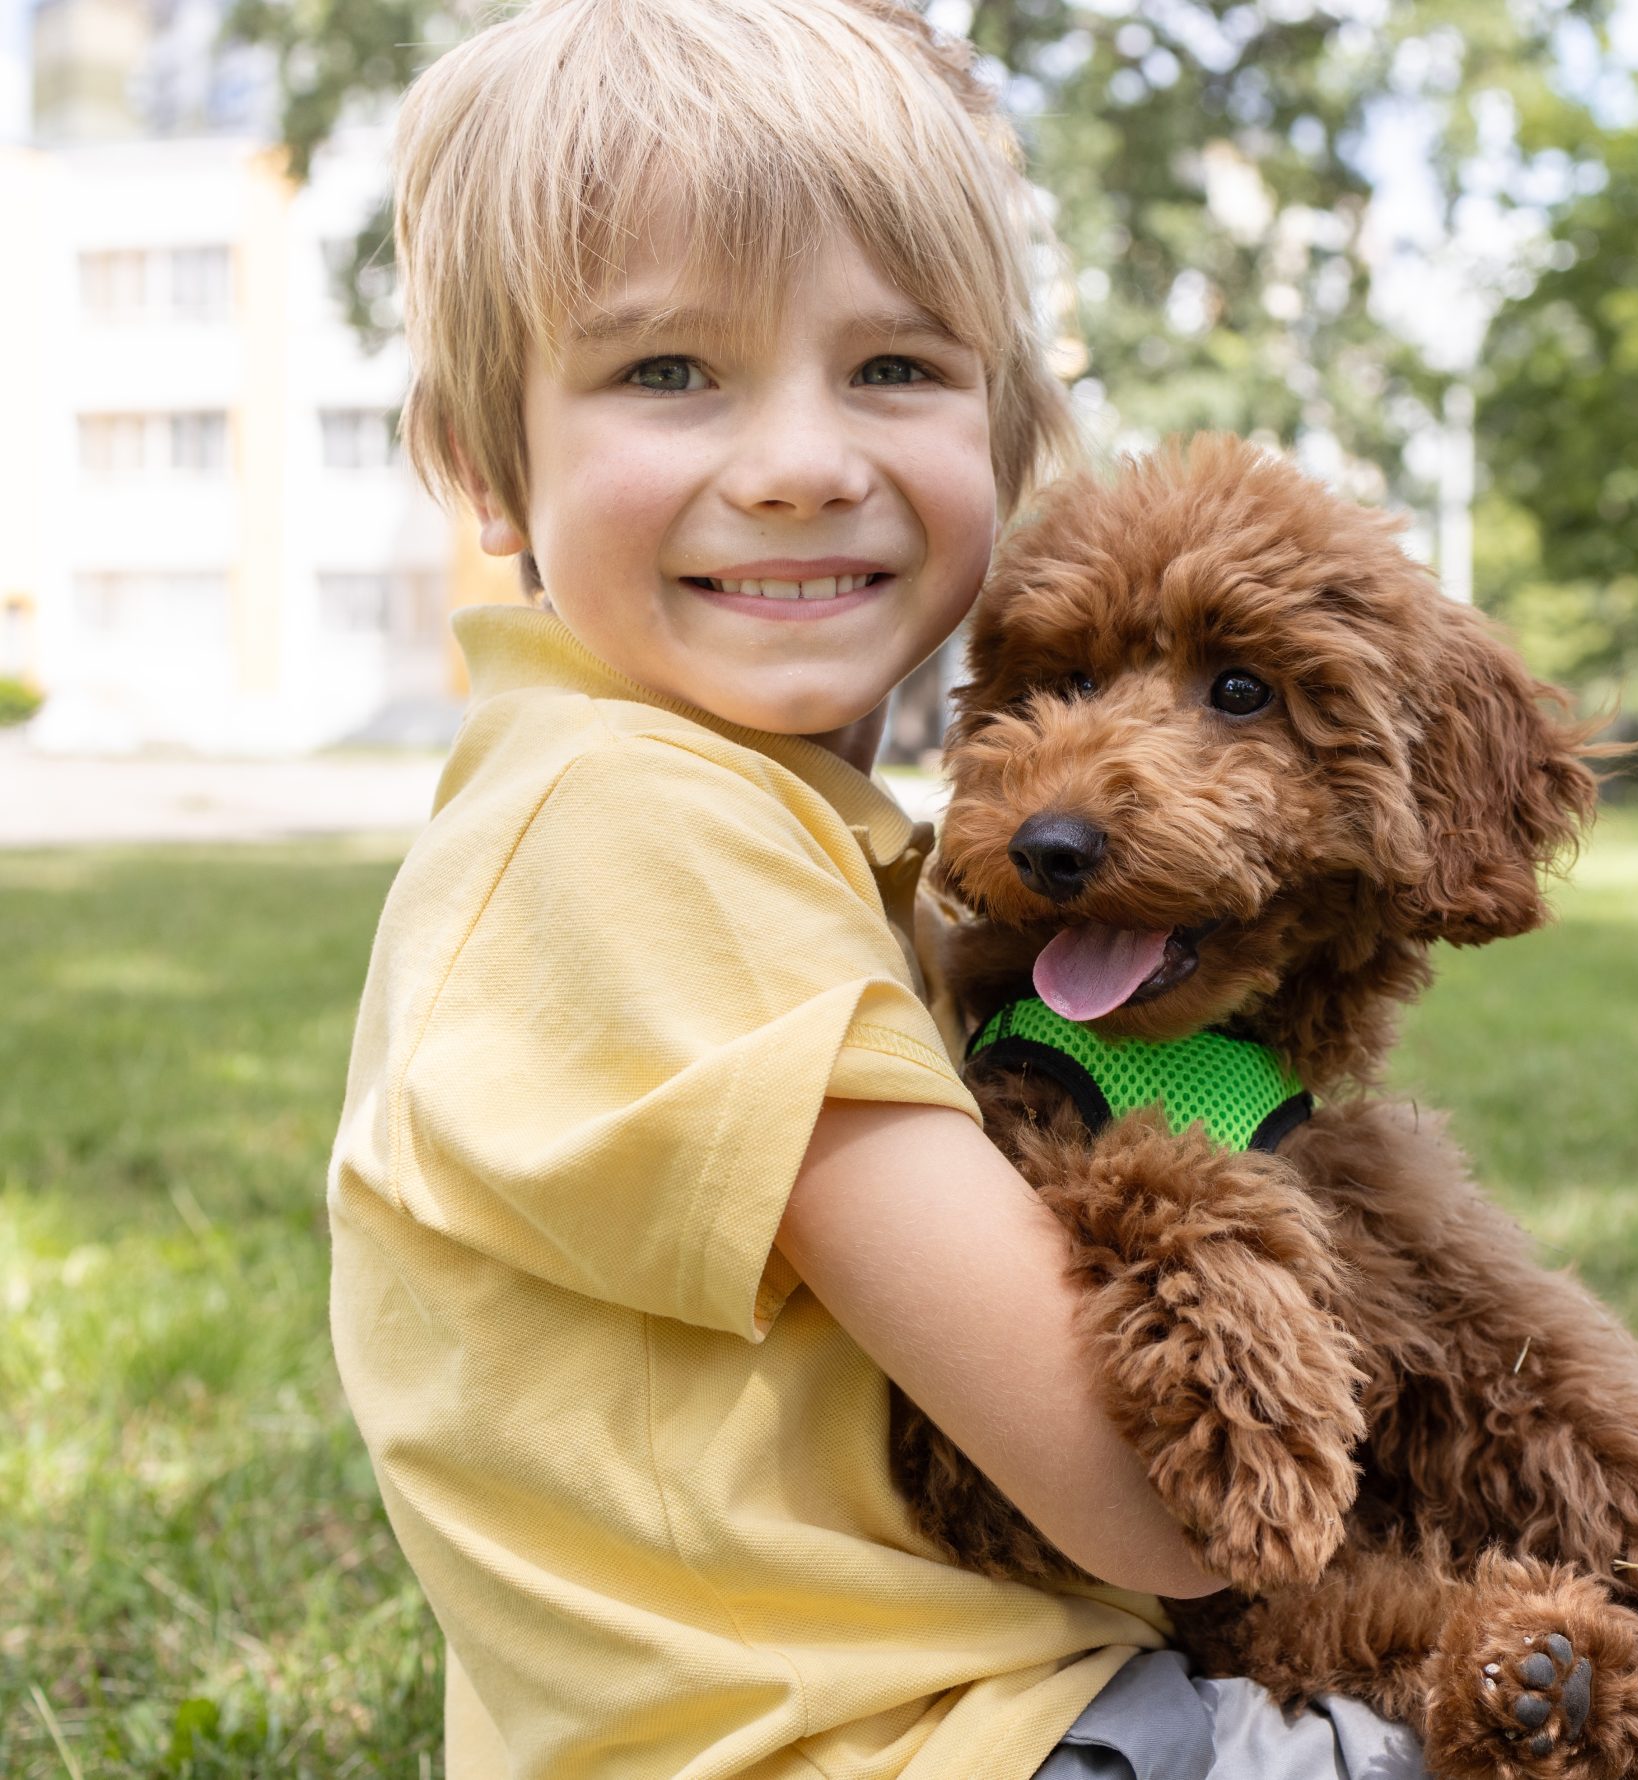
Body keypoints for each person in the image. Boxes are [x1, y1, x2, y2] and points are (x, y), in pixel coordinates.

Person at [327, 2, 1420, 1775]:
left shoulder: (715, 807)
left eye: (896, 369)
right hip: (947, 1741)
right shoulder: (642, 830)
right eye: (668, 373)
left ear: (1009, 432)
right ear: (477, 455)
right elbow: (1150, 1494)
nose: (800, 462)